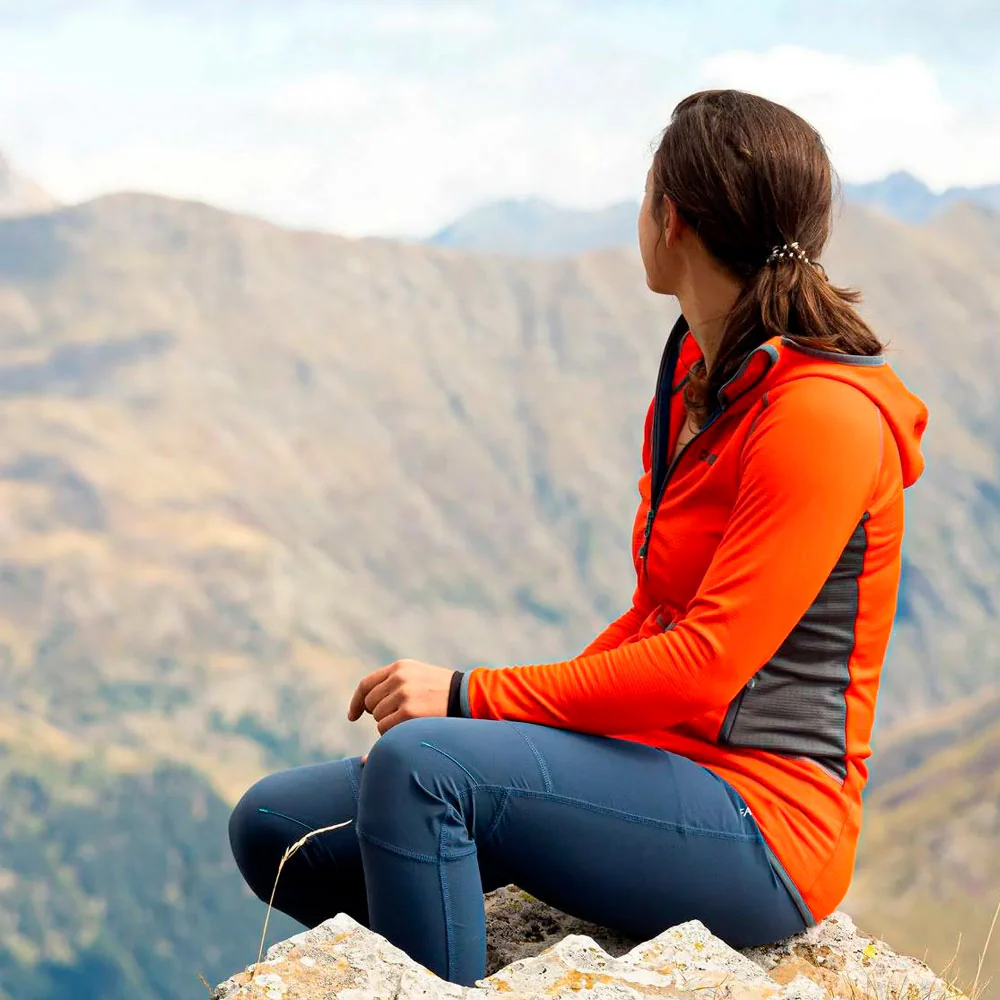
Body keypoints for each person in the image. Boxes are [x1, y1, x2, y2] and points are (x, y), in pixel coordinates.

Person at [228, 89, 928, 987]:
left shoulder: (821, 418)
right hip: (654, 765)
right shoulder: (697, 373)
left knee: (420, 770)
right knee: (275, 828)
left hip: (764, 823)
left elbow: (707, 661)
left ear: (669, 218)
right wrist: (511, 731)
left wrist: (471, 698)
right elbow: (654, 613)